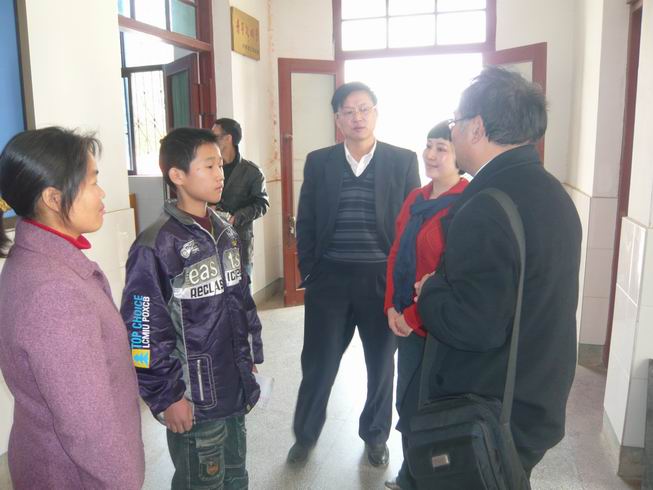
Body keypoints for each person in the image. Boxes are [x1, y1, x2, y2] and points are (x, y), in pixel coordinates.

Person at [415, 66, 582, 480]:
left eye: (455, 122)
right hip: (534, 389)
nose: (452, 132)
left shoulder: (488, 205)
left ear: (476, 128)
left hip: (493, 408)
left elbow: (473, 325)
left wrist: (430, 291)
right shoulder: (550, 191)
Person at [0, 127, 145, 489]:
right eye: (92, 182)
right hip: (72, 475)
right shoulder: (54, 293)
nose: (102, 193)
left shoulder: (35, 260)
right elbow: (88, 428)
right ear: (53, 198)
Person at [120, 127, 263, 489]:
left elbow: (242, 301)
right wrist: (166, 397)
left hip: (234, 388)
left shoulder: (225, 231)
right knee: (201, 482)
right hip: (193, 397)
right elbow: (142, 333)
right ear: (177, 175)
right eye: (209, 166)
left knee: (236, 477)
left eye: (221, 165)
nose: (220, 175)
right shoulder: (156, 245)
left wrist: (250, 355)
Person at [288, 81, 421, 467]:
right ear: (338, 119)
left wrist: (402, 285)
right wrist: (311, 272)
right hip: (329, 279)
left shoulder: (401, 160)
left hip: (381, 280)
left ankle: (375, 436)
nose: (357, 117)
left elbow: (411, 227)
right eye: (348, 111)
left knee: (381, 366)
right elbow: (306, 220)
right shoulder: (320, 161)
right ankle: (305, 435)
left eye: (364, 109)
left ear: (375, 113)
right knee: (319, 363)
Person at [383, 121, 468, 490]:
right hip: (406, 322)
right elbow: (395, 254)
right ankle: (411, 475)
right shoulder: (416, 198)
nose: (431, 155)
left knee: (434, 410)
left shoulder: (468, 203)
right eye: (429, 145)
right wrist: (392, 307)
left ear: (460, 156)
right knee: (407, 404)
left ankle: (430, 479)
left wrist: (413, 317)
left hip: (441, 327)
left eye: (442, 148)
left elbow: (452, 277)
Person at [211, 118, 270, 281]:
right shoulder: (209, 168)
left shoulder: (252, 172)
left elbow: (262, 204)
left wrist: (237, 217)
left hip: (240, 244)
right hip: (211, 243)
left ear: (228, 138)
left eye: (214, 136)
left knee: (243, 292)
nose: (211, 141)